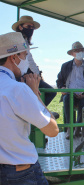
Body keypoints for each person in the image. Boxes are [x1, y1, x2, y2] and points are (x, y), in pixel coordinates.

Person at [0, 32, 59, 185]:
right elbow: (52, 130)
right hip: (20, 172)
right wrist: (35, 94)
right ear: (14, 57)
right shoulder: (18, 89)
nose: (26, 60)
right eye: (25, 56)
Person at [12, 15, 56, 106]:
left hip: (25, 73)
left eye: (32, 27)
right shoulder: (18, 40)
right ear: (20, 27)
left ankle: (34, 112)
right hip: (19, 73)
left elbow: (29, 59)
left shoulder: (24, 41)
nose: (31, 29)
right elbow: (28, 60)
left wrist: (37, 73)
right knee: (50, 92)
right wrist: (37, 75)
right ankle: (36, 112)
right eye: (28, 26)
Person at [56, 41, 84, 139]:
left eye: (81, 50)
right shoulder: (65, 66)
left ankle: (78, 128)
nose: (79, 52)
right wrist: (62, 88)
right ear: (72, 54)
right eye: (77, 51)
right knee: (67, 99)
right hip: (71, 93)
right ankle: (70, 128)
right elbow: (59, 80)